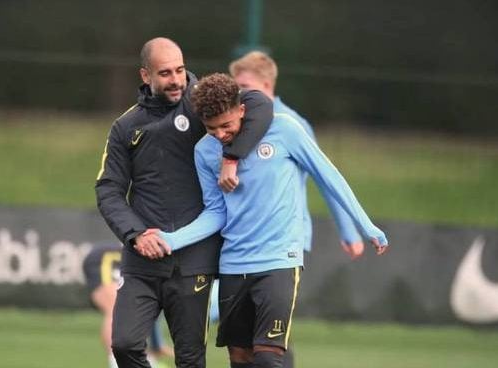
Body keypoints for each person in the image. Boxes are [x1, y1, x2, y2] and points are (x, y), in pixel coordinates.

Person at [159, 73, 389, 368]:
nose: (220, 134)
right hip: (233, 265)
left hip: (279, 261)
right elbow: (215, 213)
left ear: (241, 110)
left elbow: (328, 175)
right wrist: (171, 239)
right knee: (240, 358)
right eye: (211, 128)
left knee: (269, 358)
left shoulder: (285, 130)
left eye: (226, 125)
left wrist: (365, 224)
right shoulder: (204, 151)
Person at [95, 37, 273, 368]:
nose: (177, 79)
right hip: (142, 262)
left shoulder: (203, 102)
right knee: (124, 345)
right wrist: (136, 235)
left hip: (194, 262)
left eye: (180, 69)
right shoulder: (125, 127)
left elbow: (260, 105)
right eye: (165, 73)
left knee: (190, 360)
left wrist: (232, 157)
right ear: (145, 76)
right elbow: (108, 189)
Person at [229, 50, 364, 260]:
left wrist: (348, 231)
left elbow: (325, 178)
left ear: (266, 85)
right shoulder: (233, 125)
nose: (238, 93)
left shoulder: (292, 124)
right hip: (244, 238)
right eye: (235, 86)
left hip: (286, 240)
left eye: (244, 86)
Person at [82, 244, 173, 368]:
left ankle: (145, 358)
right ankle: (118, 364)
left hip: (144, 261)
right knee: (115, 307)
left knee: (148, 305)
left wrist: (157, 345)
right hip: (116, 253)